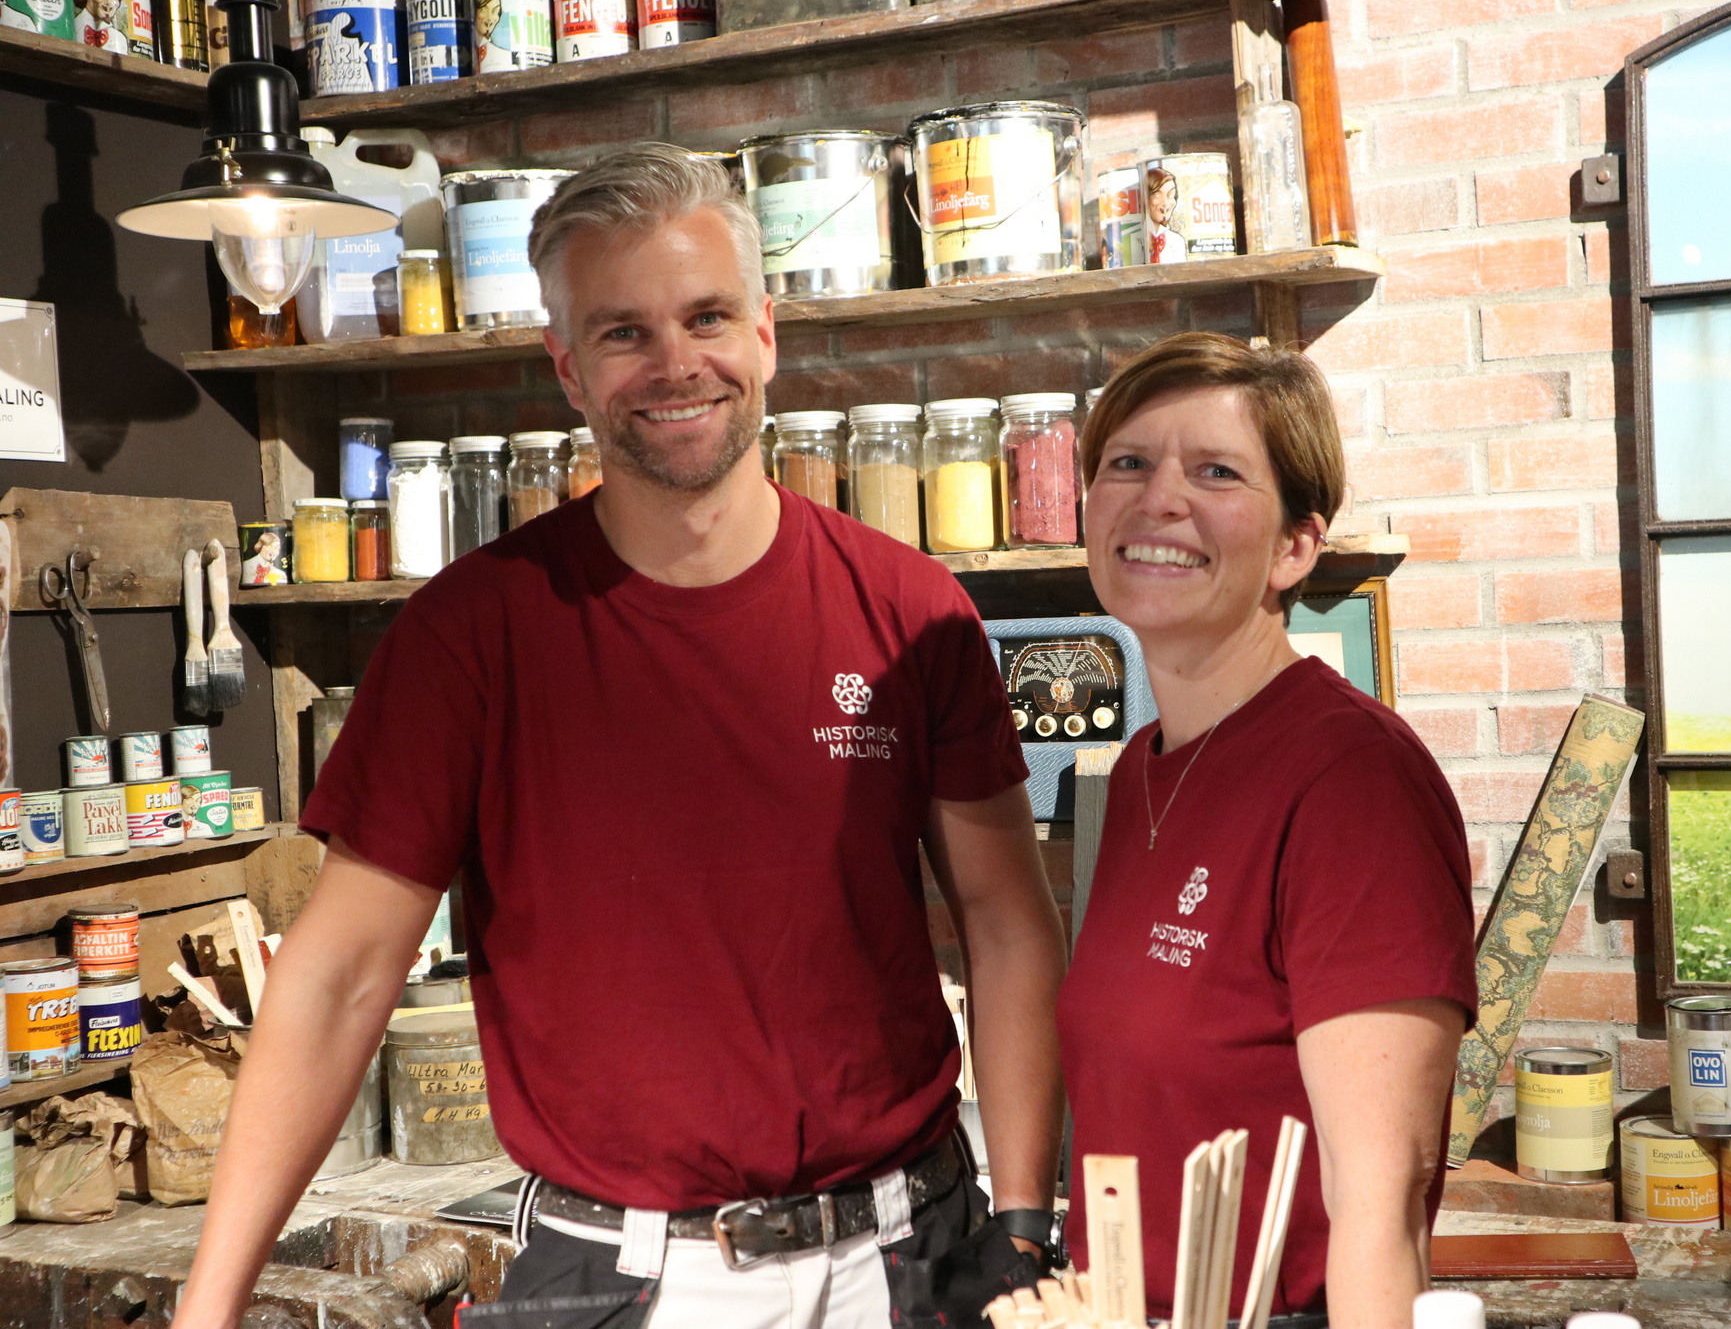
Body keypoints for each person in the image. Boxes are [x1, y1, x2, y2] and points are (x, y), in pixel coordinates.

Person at [172, 145, 1068, 1329]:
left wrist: (1021, 1220)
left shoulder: (908, 612)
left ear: (765, 335)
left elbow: (1006, 921)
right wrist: (208, 1305)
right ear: (567, 368)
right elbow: (336, 979)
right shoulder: (470, 636)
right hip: (616, 1278)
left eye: (706, 317)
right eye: (622, 332)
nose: (674, 364)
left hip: (908, 1255)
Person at [1058, 332, 1477, 1329]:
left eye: (1214, 471)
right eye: (1126, 462)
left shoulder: (1350, 777)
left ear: (1295, 545)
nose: (1158, 498)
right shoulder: (1136, 770)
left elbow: (1376, 1203)